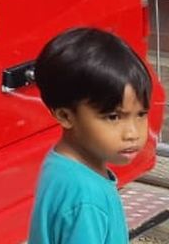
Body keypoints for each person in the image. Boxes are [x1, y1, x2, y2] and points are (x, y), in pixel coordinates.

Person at [29, 27, 152, 244]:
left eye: (141, 114)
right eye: (113, 117)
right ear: (66, 116)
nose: (133, 133)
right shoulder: (86, 199)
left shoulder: (61, 165)